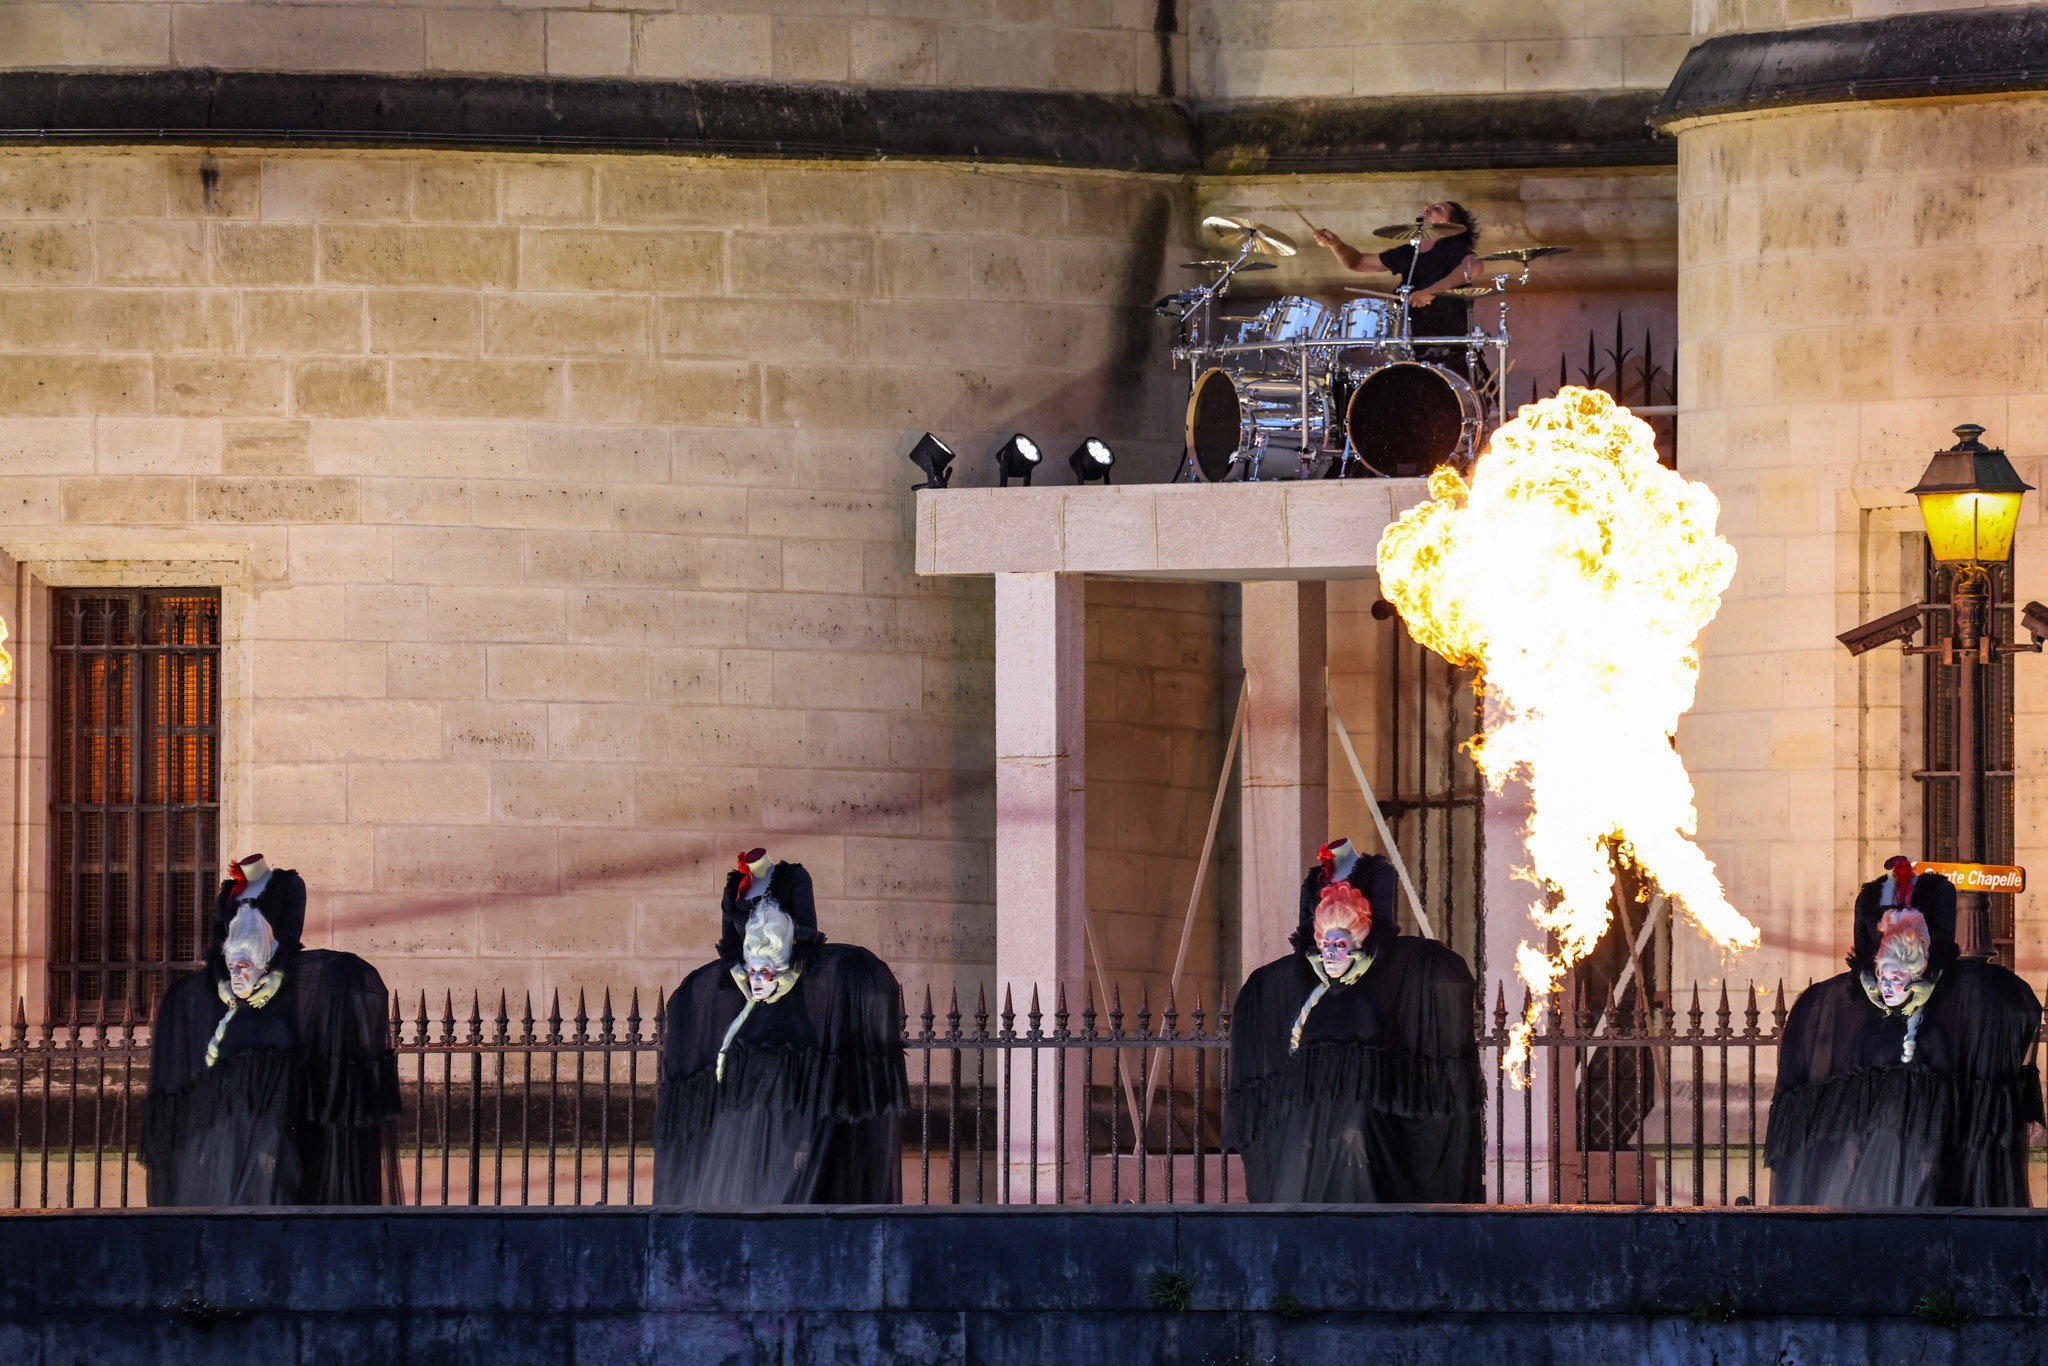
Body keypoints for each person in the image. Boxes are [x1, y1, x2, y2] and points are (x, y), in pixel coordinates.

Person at [1766, 858, 2042, 1206]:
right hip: (1862, 1188)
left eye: (1911, 927)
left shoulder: (1970, 999)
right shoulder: (1833, 1008)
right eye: (1887, 928)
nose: (1898, 937)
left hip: (1937, 1179)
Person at [1224, 838, 1484, 1202]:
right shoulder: (1314, 881)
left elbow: (1381, 924)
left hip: (1367, 965)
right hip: (1327, 978)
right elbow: (1306, 933)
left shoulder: (1376, 872)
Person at [141, 853, 401, 1205]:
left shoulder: (288, 885)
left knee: (278, 1081)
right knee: (228, 1077)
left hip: (275, 990)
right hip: (237, 989)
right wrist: (221, 982)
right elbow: (218, 947)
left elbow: (290, 937)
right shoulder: (228, 892)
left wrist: (276, 974)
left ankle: (276, 1165)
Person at [655, 848, 908, 1205]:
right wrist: (742, 971)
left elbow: (806, 927)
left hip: (785, 969)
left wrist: (782, 966)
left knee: (794, 1053)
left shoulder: (794, 877)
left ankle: (799, 1144)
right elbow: (730, 940)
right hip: (750, 972)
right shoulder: (735, 886)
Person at [1313, 201, 1481, 358]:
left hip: (1450, 349)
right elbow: (1357, 262)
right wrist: (1335, 243)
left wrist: (1431, 292)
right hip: (1413, 348)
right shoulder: (1408, 253)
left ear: (1450, 226)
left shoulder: (1452, 249)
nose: (1427, 208)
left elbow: (1475, 267)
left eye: (1438, 209)